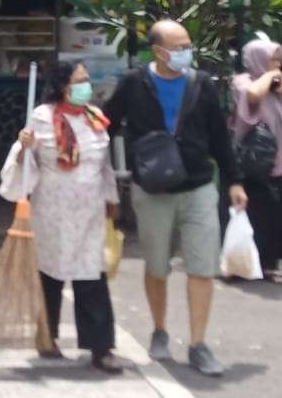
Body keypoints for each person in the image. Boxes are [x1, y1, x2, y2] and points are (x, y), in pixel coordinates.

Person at [105, 19, 247, 378]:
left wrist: (234, 180)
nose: (186, 51)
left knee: (202, 266)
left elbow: (219, 135)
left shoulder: (201, 84)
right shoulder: (134, 83)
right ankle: (159, 329)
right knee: (156, 266)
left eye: (188, 44)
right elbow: (105, 124)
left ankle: (199, 344)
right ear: (158, 51)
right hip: (152, 190)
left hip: (199, 186)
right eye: (178, 46)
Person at [8, 60, 124, 374]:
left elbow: (104, 164)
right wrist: (23, 148)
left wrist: (112, 197)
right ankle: (47, 337)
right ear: (63, 86)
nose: (87, 85)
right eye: (80, 80)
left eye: (86, 79)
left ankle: (101, 348)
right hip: (53, 209)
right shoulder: (41, 118)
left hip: (89, 209)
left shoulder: (95, 117)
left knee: (92, 274)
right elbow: (24, 163)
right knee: (51, 273)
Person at [228, 38, 282, 282]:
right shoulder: (243, 82)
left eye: (279, 60)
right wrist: (269, 77)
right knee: (253, 214)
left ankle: (269, 264)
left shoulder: (277, 88)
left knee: (275, 215)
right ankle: (245, 264)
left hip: (277, 162)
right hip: (253, 163)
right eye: (272, 59)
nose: (277, 65)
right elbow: (250, 96)